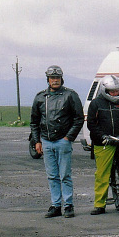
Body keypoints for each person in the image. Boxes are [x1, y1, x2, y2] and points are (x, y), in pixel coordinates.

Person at [30, 65, 84, 218]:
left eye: (57, 78)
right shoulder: (40, 97)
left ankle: (68, 206)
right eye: (52, 78)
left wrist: (69, 138)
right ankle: (55, 206)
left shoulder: (70, 95)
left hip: (63, 141)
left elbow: (79, 118)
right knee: (52, 175)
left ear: (61, 78)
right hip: (46, 142)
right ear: (48, 79)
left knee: (64, 175)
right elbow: (34, 121)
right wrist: (37, 141)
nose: (55, 80)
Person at [86, 75, 119, 215]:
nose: (115, 93)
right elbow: (91, 124)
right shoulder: (95, 104)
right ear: (105, 90)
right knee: (102, 174)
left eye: (117, 90)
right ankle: (99, 204)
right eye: (112, 91)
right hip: (103, 142)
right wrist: (103, 136)